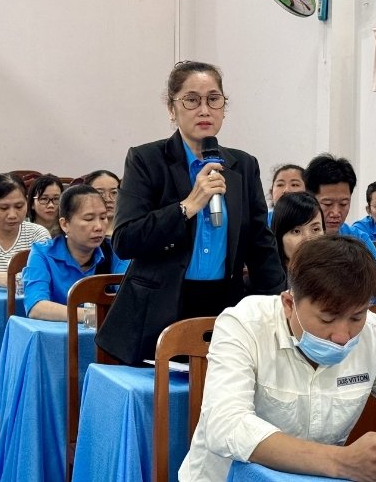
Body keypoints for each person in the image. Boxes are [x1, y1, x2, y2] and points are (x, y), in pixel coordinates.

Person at [179, 235, 376, 482]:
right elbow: (226, 426)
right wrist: (342, 461)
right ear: (289, 304)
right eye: (327, 319)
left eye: (356, 317)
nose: (342, 336)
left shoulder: (374, 333)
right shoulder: (244, 325)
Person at [97, 61, 285, 365]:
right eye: (191, 100)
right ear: (172, 109)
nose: (204, 109)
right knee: (160, 406)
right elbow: (126, 239)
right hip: (159, 309)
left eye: (214, 99)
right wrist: (189, 206)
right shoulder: (146, 160)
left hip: (225, 308)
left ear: (224, 107)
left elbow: (261, 245)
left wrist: (282, 305)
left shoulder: (243, 165)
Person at [23, 185, 124, 321]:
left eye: (103, 217)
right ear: (65, 224)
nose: (99, 227)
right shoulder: (43, 253)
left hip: (105, 339)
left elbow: (129, 300)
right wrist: (92, 315)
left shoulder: (115, 251)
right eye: (88, 219)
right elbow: (36, 307)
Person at [302, 154, 376, 254]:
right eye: (327, 204)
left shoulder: (359, 240)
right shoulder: (296, 239)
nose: (336, 213)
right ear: (309, 198)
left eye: (343, 204)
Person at [271, 191, 324, 271]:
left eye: (315, 229)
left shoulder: (337, 277)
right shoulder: (262, 281)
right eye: (296, 231)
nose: (308, 239)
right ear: (279, 236)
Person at [84, 169, 120, 237]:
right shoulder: (80, 234)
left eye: (114, 193)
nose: (108, 199)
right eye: (100, 193)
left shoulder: (129, 232)